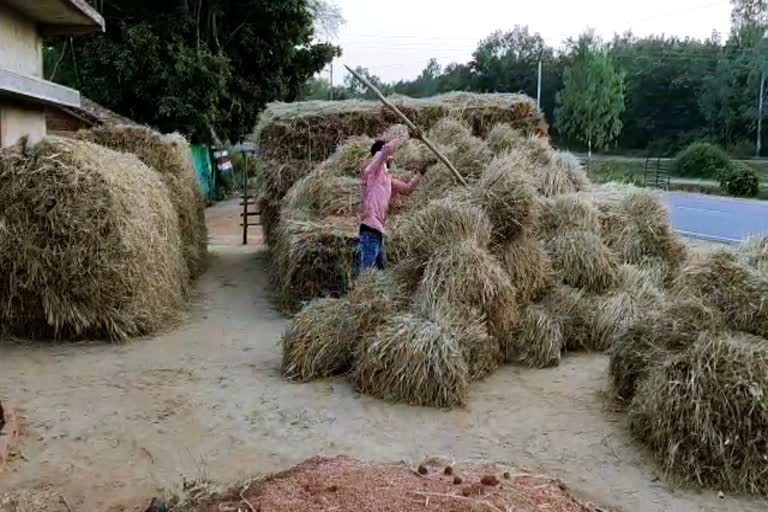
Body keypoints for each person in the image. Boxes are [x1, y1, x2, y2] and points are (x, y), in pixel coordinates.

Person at [358, 130, 427, 272]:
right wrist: (408, 135)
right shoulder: (374, 171)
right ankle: (360, 294)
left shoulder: (387, 179)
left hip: (379, 232)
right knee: (366, 274)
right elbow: (387, 149)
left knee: (380, 275)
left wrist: (422, 172)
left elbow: (408, 189)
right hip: (369, 230)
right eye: (390, 156)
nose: (393, 158)